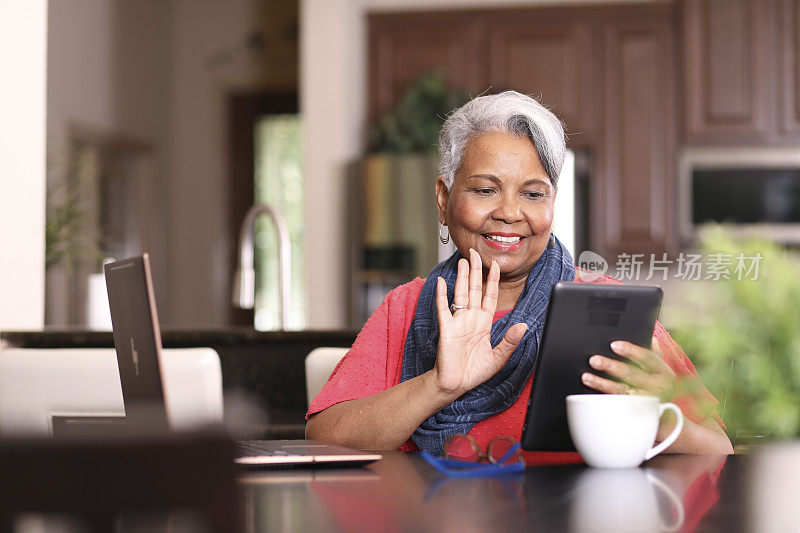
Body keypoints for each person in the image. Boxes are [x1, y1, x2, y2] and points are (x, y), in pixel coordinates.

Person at [306, 91, 733, 456]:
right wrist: (437, 385)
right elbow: (325, 437)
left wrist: (658, 417)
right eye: (484, 189)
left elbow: (719, 449)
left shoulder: (606, 306)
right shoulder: (408, 307)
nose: (510, 213)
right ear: (443, 198)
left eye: (532, 194)